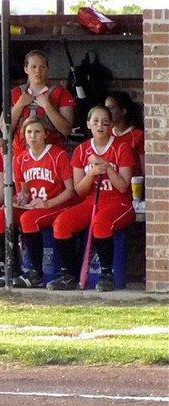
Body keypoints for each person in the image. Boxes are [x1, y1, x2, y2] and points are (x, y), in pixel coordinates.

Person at [48, 105, 135, 292]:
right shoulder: (81, 150)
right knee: (62, 223)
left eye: (105, 122)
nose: (100, 125)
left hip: (119, 202)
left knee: (100, 223)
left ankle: (106, 275)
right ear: (88, 124)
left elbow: (123, 186)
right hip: (91, 201)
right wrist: (92, 173)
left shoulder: (122, 147)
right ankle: (67, 275)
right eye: (95, 121)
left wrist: (108, 168)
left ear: (111, 125)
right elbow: (78, 190)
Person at [0, 117, 75, 288]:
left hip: (55, 204)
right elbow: (24, 191)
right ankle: (13, 269)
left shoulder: (58, 155)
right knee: (0, 218)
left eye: (37, 132)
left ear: (45, 134)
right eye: (29, 132)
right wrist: (18, 200)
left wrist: (47, 204)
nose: (33, 136)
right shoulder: (21, 159)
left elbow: (70, 191)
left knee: (28, 219)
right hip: (33, 206)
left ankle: (36, 272)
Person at [6, 49, 75, 156]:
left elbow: (67, 130)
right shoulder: (16, 92)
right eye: (33, 67)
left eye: (42, 67)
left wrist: (47, 106)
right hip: (21, 155)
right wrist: (19, 104)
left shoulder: (61, 92)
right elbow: (5, 130)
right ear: (26, 69)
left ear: (47, 69)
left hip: (52, 155)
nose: (38, 71)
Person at [104, 91, 145, 176]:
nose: (106, 112)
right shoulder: (106, 133)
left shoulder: (138, 135)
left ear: (123, 111)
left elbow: (144, 168)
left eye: (111, 108)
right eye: (105, 108)